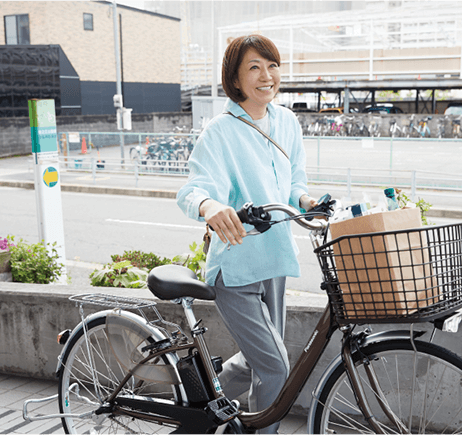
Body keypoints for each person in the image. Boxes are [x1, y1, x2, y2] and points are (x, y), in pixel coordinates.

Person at [176, 34, 319, 434]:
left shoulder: (287, 121)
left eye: (272, 66)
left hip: (275, 258)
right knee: (275, 366)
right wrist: (211, 206)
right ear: (236, 80)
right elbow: (193, 189)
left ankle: (203, 403)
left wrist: (306, 200)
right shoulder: (219, 132)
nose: (266, 76)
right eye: (254, 67)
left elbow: (293, 184)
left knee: (259, 358)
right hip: (236, 266)